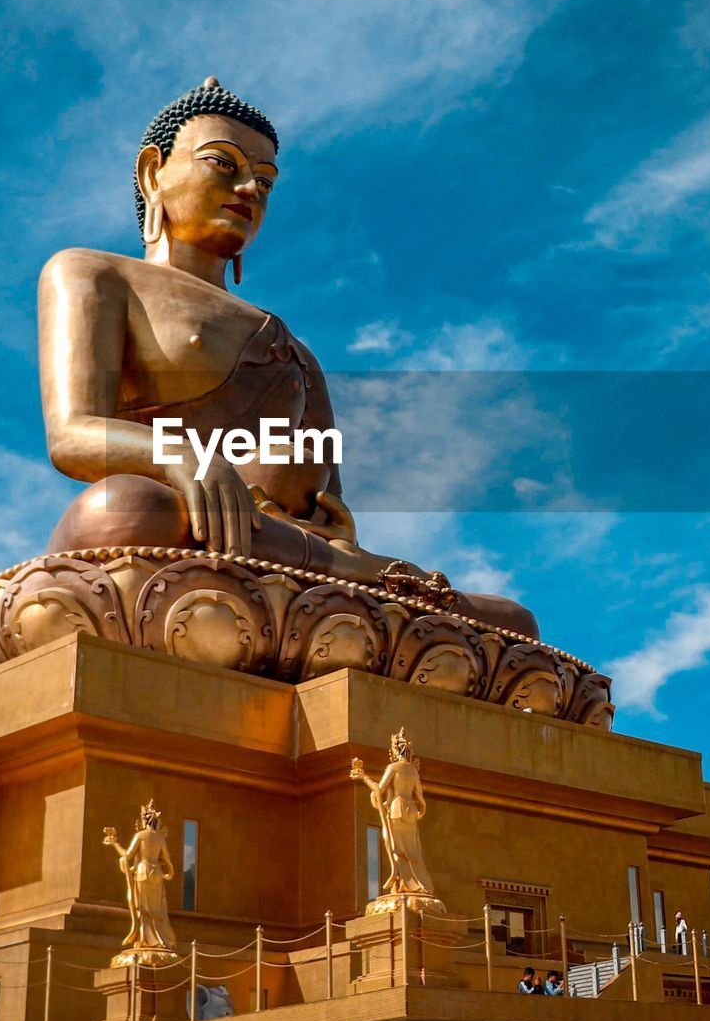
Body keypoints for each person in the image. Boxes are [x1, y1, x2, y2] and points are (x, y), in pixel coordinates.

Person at [37, 78, 539, 637]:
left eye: (266, 181)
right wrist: (187, 461)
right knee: (121, 509)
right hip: (168, 524)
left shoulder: (294, 350)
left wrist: (338, 545)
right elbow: (73, 434)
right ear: (153, 172)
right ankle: (338, 588)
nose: (250, 188)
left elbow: (332, 509)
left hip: (279, 554)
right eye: (224, 164)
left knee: (512, 621)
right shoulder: (92, 274)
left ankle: (337, 588)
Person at [350, 727, 434, 896]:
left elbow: (378, 789)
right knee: (412, 849)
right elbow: (419, 796)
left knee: (398, 848)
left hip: (396, 809)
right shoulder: (413, 771)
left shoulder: (393, 767)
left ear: (395, 750)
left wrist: (363, 777)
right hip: (411, 812)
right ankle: (412, 884)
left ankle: (406, 884)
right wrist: (421, 810)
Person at [104, 800, 176, 953]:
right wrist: (170, 872)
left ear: (145, 819)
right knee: (156, 909)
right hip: (157, 873)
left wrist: (115, 844)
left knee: (143, 908)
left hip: (143, 872)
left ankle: (146, 939)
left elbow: (127, 855)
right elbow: (167, 859)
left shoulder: (140, 836)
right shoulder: (160, 838)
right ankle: (159, 939)